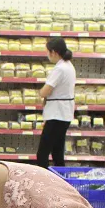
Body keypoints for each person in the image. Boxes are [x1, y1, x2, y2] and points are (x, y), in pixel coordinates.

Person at [36, 38, 76, 168]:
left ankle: (43, 181)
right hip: (64, 114)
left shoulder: (59, 69)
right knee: (57, 153)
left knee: (42, 153)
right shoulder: (69, 65)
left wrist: (40, 93)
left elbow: (46, 91)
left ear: (53, 52)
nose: (47, 55)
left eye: (48, 52)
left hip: (56, 114)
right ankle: (61, 179)